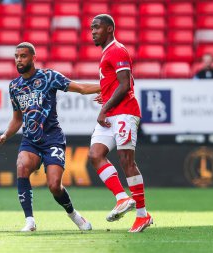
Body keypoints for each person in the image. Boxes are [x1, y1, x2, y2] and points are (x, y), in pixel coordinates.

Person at [0, 42, 100, 232]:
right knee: (21, 166)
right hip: (31, 140)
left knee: (54, 186)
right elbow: (17, 119)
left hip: (52, 139)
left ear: (33, 58)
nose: (19, 60)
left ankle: (74, 215)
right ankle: (30, 221)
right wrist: (4, 135)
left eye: (23, 56)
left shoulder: (49, 76)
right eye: (16, 56)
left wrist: (107, 87)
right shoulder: (14, 86)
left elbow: (81, 88)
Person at [88, 14, 153, 233]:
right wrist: (105, 97)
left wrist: (104, 108)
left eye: (97, 27)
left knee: (127, 160)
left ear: (109, 29)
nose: (93, 32)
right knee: (95, 155)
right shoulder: (107, 52)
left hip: (124, 113)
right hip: (111, 111)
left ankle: (142, 215)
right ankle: (121, 197)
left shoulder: (117, 50)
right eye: (91, 28)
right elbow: (122, 82)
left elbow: (126, 85)